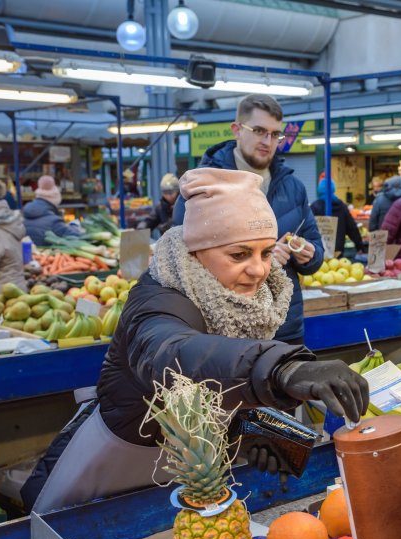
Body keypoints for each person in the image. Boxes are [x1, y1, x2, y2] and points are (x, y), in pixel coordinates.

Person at [24, 169, 368, 513]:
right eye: (239, 254)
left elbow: (218, 384)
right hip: (104, 479)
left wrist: (258, 430)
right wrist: (280, 368)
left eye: (265, 253)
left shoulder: (241, 303)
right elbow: (173, 357)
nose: (259, 270)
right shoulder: (158, 300)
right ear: (196, 252)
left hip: (187, 487)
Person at [172, 94, 322, 345]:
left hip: (285, 326)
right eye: (260, 131)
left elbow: (316, 250)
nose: (268, 141)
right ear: (237, 130)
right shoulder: (203, 184)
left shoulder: (293, 187)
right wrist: (260, 259)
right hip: (226, 330)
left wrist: (310, 254)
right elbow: (183, 260)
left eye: (275, 134)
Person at [310, 179, 366, 257]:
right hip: (337, 252)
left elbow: (308, 228)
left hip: (318, 252)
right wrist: (360, 246)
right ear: (333, 189)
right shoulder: (341, 206)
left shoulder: (314, 207)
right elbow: (352, 228)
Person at [23, 175, 81, 246]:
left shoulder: (22, 216)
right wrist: (74, 226)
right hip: (43, 256)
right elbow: (77, 236)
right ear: (54, 199)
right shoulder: (54, 222)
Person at [139, 173, 179, 238]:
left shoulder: (183, 205)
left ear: (177, 191)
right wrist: (142, 227)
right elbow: (150, 220)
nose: (168, 196)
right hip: (167, 244)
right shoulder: (160, 207)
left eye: (171, 193)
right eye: (165, 193)